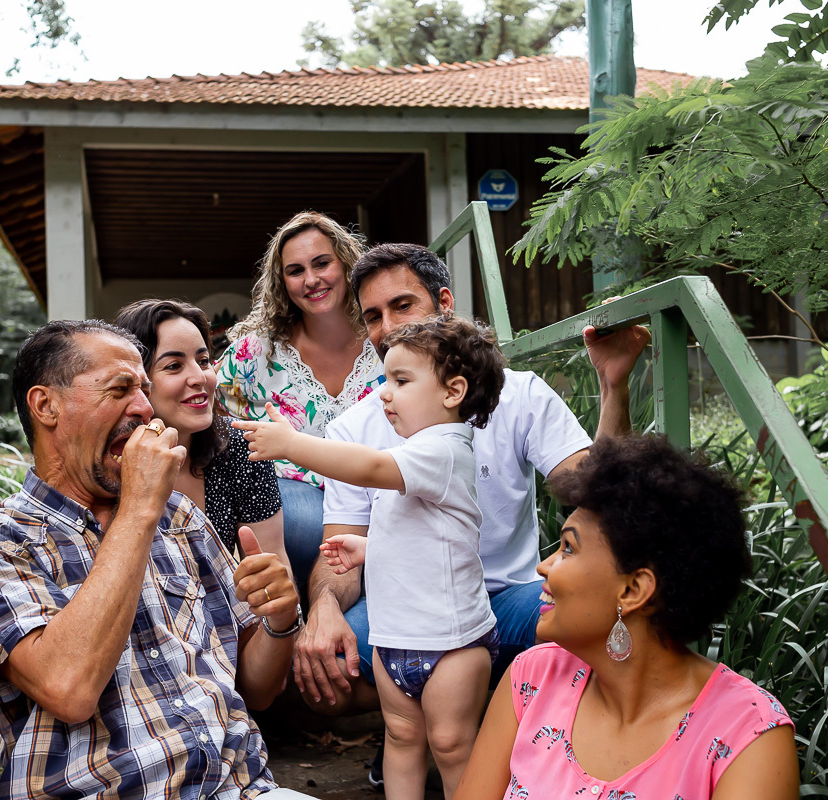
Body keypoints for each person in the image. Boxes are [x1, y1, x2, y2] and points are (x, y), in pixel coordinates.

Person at [0, 320, 316, 800]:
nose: (144, 409)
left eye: (143, 389)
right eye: (120, 389)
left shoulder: (179, 516)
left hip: (241, 789)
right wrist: (140, 509)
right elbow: (69, 688)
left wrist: (281, 621)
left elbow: (257, 689)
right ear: (46, 406)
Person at [295, 243, 651, 729]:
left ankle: (513, 735)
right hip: (409, 615)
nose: (388, 327)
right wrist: (323, 608)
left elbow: (597, 491)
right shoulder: (353, 429)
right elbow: (337, 550)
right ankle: (417, 731)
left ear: (444, 303)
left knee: (609, 610)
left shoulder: (518, 393)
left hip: (506, 603)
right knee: (328, 675)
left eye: (402, 304)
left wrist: (613, 387)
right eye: (373, 316)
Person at [237, 315, 507, 799]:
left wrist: (292, 445)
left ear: (453, 391)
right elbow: (420, 530)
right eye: (385, 379)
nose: (384, 392)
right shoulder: (414, 450)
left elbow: (370, 467)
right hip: (394, 638)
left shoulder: (444, 449)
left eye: (401, 381)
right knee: (403, 738)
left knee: (450, 744)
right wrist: (369, 548)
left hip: (451, 644)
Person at [453, 435, 799, 800]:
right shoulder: (531, 680)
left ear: (634, 590)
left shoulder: (748, 734)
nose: (545, 566)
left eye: (568, 548)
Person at [216, 211, 384, 583]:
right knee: (300, 518)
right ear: (282, 283)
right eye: (295, 271)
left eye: (322, 263)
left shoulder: (385, 338)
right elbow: (201, 398)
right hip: (301, 502)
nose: (311, 280)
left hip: (382, 493)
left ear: (346, 265)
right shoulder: (259, 351)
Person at [114, 299, 289, 574]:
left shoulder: (243, 446)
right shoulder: (110, 461)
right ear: (136, 380)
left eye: (204, 361)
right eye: (173, 366)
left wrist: (276, 602)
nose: (200, 377)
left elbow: (277, 573)